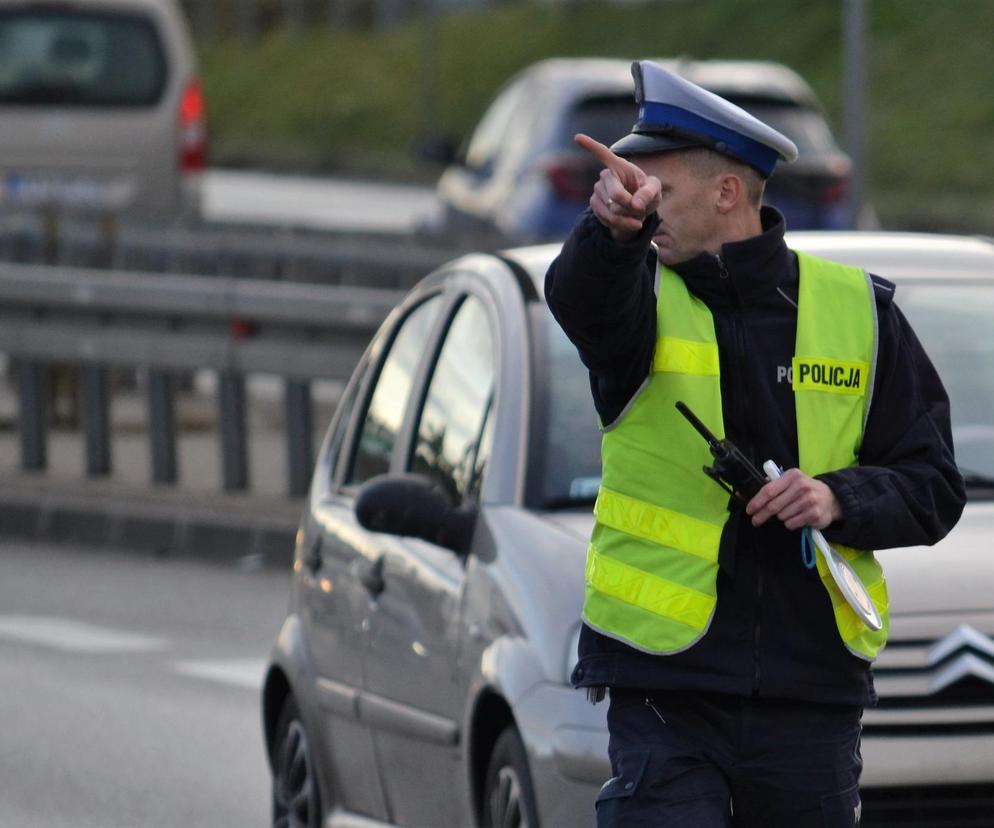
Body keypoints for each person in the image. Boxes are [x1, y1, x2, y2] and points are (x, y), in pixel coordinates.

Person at [545, 60, 966, 828]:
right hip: (666, 690)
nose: (643, 203)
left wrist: (838, 496)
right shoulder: (636, 290)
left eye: (658, 190)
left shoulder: (859, 313)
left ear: (727, 193)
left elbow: (935, 484)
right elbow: (580, 299)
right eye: (630, 188)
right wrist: (609, 230)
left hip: (809, 696)